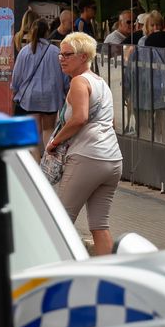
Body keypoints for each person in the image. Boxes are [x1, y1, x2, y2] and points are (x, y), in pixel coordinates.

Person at [49, 31, 123, 255]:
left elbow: (79, 118)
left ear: (83, 56)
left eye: (67, 55)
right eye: (60, 55)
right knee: (100, 224)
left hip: (88, 157)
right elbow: (110, 120)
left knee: (59, 220)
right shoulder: (100, 82)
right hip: (112, 159)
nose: (61, 59)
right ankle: (108, 273)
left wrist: (55, 140)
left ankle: (58, 271)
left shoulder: (79, 82)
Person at [10, 17, 65, 144]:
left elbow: (17, 76)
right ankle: (48, 160)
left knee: (34, 133)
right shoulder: (55, 51)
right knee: (48, 130)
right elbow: (64, 75)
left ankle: (34, 161)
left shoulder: (25, 51)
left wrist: (15, 90)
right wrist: (65, 90)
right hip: (50, 97)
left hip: (30, 97)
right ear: (47, 32)